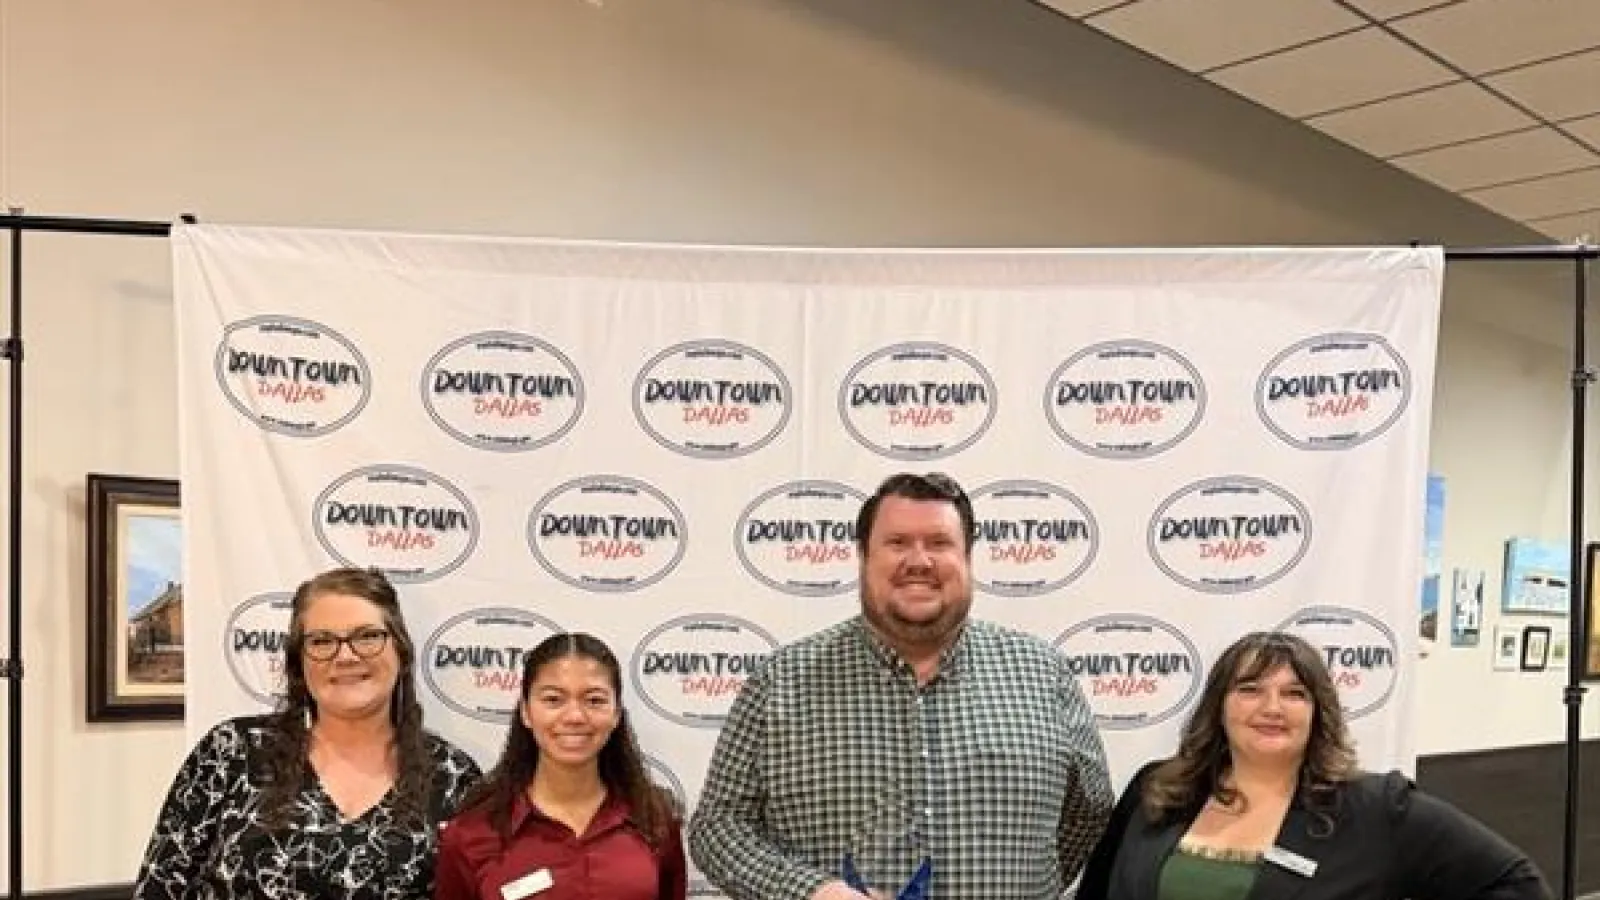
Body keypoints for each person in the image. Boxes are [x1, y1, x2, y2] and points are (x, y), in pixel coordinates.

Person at [688, 471, 1115, 900]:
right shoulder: (779, 682)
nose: (918, 560)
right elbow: (718, 827)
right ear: (862, 557)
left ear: (968, 559)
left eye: (938, 543)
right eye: (897, 543)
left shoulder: (1044, 675)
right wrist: (811, 893)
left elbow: (1089, 813)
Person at [1076, 631, 1551, 900]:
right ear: (1218, 707)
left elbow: (1516, 885)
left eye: (1294, 693)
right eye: (1250, 690)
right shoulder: (1156, 789)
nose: (1272, 707)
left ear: (1317, 712)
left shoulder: (1376, 810)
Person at [132, 567, 484, 900]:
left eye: (367, 636)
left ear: (401, 650)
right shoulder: (230, 754)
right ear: (299, 662)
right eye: (321, 641)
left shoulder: (453, 777)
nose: (345, 656)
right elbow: (160, 888)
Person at [434, 632, 686, 900]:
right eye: (553, 699)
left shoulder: (655, 821)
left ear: (616, 715)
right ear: (526, 712)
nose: (575, 716)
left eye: (594, 700)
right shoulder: (471, 833)